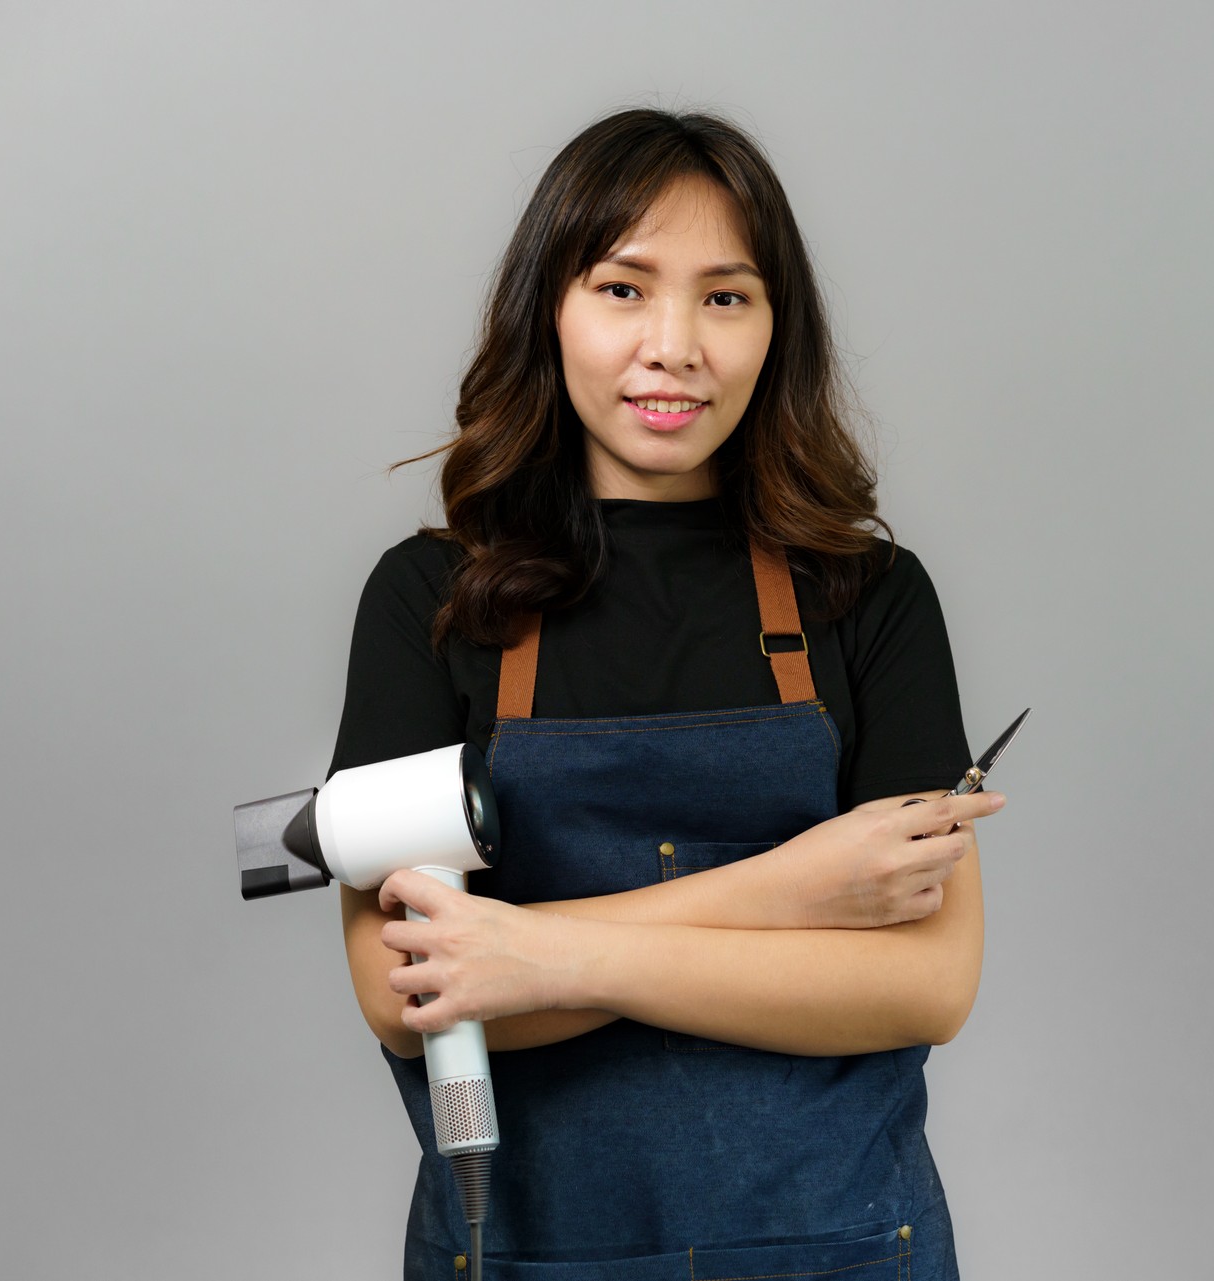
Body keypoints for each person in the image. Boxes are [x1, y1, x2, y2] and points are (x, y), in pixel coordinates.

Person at [330, 106, 1004, 1280]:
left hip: (842, 1247)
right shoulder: (431, 602)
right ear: (551, 308)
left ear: (776, 328)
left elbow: (925, 984)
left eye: (726, 297)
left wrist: (540, 957)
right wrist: (797, 890)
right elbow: (412, 996)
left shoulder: (872, 598)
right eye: (624, 288)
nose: (675, 345)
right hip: (525, 1247)